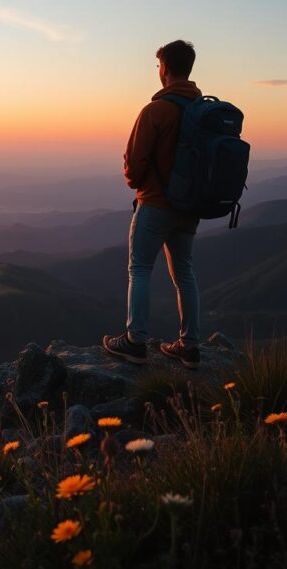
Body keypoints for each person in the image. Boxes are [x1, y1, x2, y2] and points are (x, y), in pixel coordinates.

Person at [102, 40, 202, 369]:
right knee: (184, 274)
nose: (158, 71)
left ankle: (135, 341)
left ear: (166, 68)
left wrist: (137, 183)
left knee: (140, 268)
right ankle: (189, 345)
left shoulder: (155, 111)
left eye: (158, 65)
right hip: (189, 207)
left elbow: (134, 164)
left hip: (156, 204)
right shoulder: (201, 111)